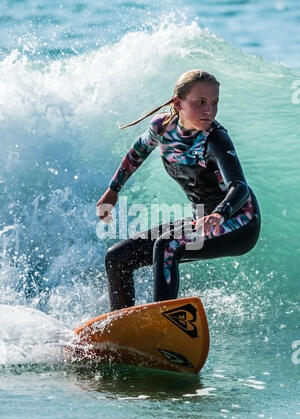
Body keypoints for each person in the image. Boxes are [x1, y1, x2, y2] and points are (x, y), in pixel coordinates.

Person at [97, 69, 261, 311]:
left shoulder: (215, 139)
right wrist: (113, 190)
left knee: (168, 245)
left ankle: (162, 325)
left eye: (215, 103)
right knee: (117, 257)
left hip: (239, 222)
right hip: (201, 219)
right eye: (201, 102)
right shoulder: (162, 128)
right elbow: (137, 152)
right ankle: (121, 329)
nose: (209, 110)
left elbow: (240, 187)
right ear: (178, 103)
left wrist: (219, 214)